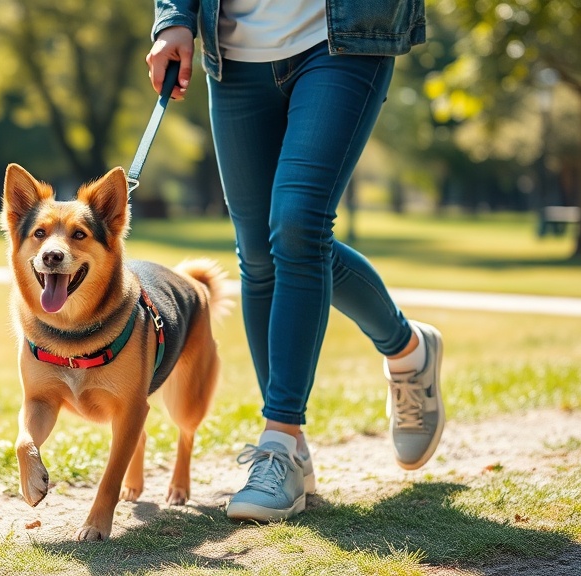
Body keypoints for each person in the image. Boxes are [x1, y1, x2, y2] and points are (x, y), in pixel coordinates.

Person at [146, 0, 443, 522]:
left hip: (343, 37)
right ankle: (406, 349)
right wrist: (174, 18)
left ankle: (280, 442)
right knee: (261, 253)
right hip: (235, 50)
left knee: (299, 225)